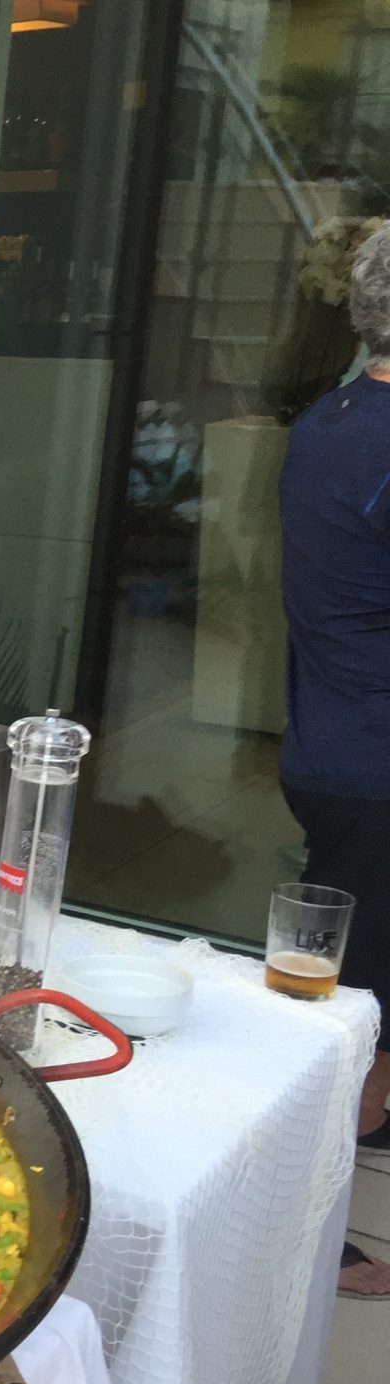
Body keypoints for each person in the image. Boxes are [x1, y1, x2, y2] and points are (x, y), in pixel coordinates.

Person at [279, 220, 390, 1299]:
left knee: (367, 987)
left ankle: (367, 1120)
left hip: (334, 744)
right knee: (354, 1007)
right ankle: (312, 1230)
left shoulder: (334, 418)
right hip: (372, 769)